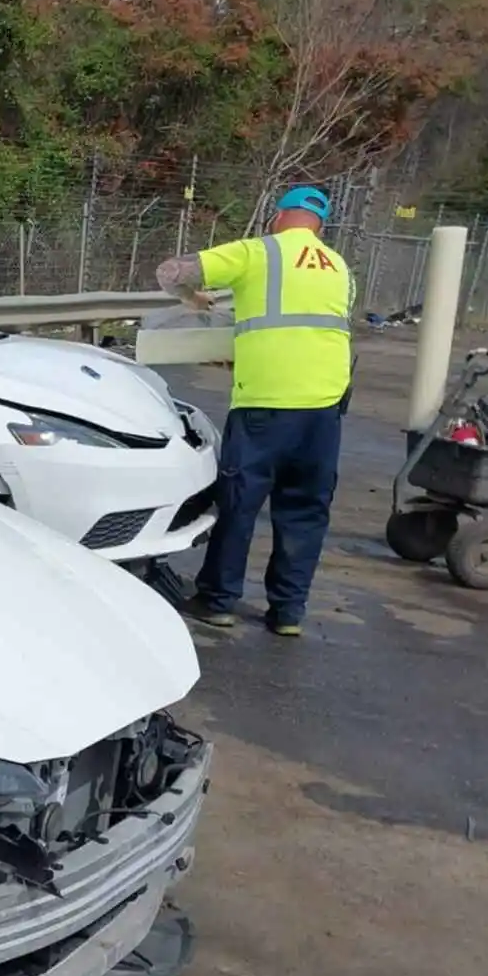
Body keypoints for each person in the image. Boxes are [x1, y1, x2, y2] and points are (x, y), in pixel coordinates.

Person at [155, 185, 354, 637]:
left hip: (265, 403)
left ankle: (219, 600)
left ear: (278, 216)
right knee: (305, 509)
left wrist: (195, 299)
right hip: (324, 408)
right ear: (320, 225)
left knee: (240, 503)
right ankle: (288, 611)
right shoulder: (340, 267)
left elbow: (170, 272)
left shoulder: (257, 252)